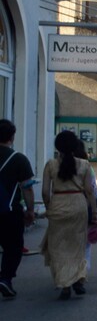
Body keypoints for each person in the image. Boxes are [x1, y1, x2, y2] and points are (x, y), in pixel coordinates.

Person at [40, 130, 97, 300]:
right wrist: (94, 212)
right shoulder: (84, 165)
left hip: (58, 204)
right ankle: (78, 280)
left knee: (58, 248)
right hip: (78, 205)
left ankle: (64, 284)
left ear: (57, 146)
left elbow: (44, 192)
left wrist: (49, 207)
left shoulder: (51, 165)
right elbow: (89, 190)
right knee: (77, 246)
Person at [0, 119, 37, 300]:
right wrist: (30, 211)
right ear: (12, 137)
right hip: (9, 212)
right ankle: (6, 279)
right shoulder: (18, 159)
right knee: (13, 247)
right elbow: (27, 187)